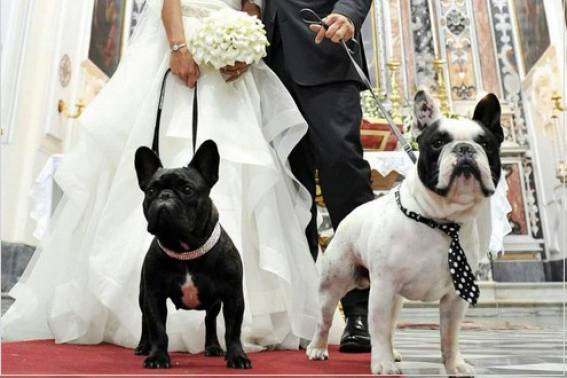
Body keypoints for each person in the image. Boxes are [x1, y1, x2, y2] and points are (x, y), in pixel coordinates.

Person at [2, 0, 320, 353]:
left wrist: (245, 44)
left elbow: (252, 5)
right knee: (165, 154)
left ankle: (243, 317)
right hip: (179, 46)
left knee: (239, 175)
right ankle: (140, 310)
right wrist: (178, 46)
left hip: (228, 68)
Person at [263, 0, 375, 352]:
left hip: (323, 47)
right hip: (265, 66)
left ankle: (360, 311)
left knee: (344, 179)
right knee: (286, 191)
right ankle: (302, 309)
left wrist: (348, 13)